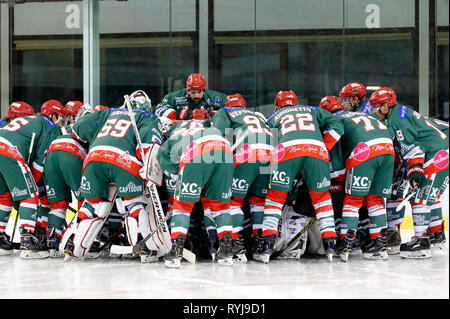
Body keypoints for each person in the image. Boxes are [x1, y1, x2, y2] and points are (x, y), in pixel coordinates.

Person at [61, 94, 167, 263]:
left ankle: (73, 246)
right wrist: (151, 174)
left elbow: (78, 130)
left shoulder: (107, 112)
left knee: (93, 206)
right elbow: (149, 147)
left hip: (94, 159)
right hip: (124, 161)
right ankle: (143, 247)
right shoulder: (147, 117)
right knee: (134, 204)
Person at [257, 90, 344, 263]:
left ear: (277, 105)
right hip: (316, 151)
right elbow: (338, 125)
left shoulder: (274, 116)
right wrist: (323, 147)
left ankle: (266, 244)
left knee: (275, 198)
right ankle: (330, 244)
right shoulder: (313, 110)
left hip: (287, 151)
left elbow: (269, 143)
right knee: (323, 200)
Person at [370, 87, 449, 258]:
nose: (374, 111)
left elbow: (414, 150)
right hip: (436, 148)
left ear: (385, 106)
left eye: (376, 107)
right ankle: (434, 234)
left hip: (439, 151)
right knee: (428, 195)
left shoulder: (398, 121)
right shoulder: (398, 113)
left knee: (421, 195)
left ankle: (422, 241)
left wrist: (415, 171)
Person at [319, 95, 395, 261]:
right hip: (388, 149)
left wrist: (334, 176)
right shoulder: (363, 114)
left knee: (353, 199)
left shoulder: (333, 119)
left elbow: (337, 160)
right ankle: (379, 242)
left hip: (365, 151)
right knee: (375, 198)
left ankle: (346, 242)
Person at [157, 116, 235, 268]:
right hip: (225, 151)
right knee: (221, 207)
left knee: (182, 207)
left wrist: (179, 175)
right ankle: (226, 251)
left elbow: (163, 157)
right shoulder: (209, 127)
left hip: (197, 152)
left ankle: (176, 252)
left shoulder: (175, 134)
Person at [212, 93, 273, 263]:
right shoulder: (258, 115)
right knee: (259, 201)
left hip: (247, 155)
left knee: (234, 201)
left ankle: (236, 247)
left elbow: (219, 137)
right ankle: (261, 247)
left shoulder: (225, 112)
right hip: (270, 155)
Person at [0, 100, 64, 258]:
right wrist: (30, 186)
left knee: (4, 196)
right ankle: (29, 240)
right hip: (10, 151)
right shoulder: (50, 125)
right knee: (30, 195)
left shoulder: (31, 121)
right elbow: (38, 163)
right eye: (62, 117)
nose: (63, 121)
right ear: (54, 115)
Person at [155, 73, 227, 120]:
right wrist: (180, 114)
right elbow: (159, 110)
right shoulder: (176, 97)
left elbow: (231, 109)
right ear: (188, 90)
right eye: (193, 92)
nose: (196, 95)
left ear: (204, 90)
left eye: (199, 92)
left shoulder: (215, 97)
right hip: (181, 133)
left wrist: (212, 115)